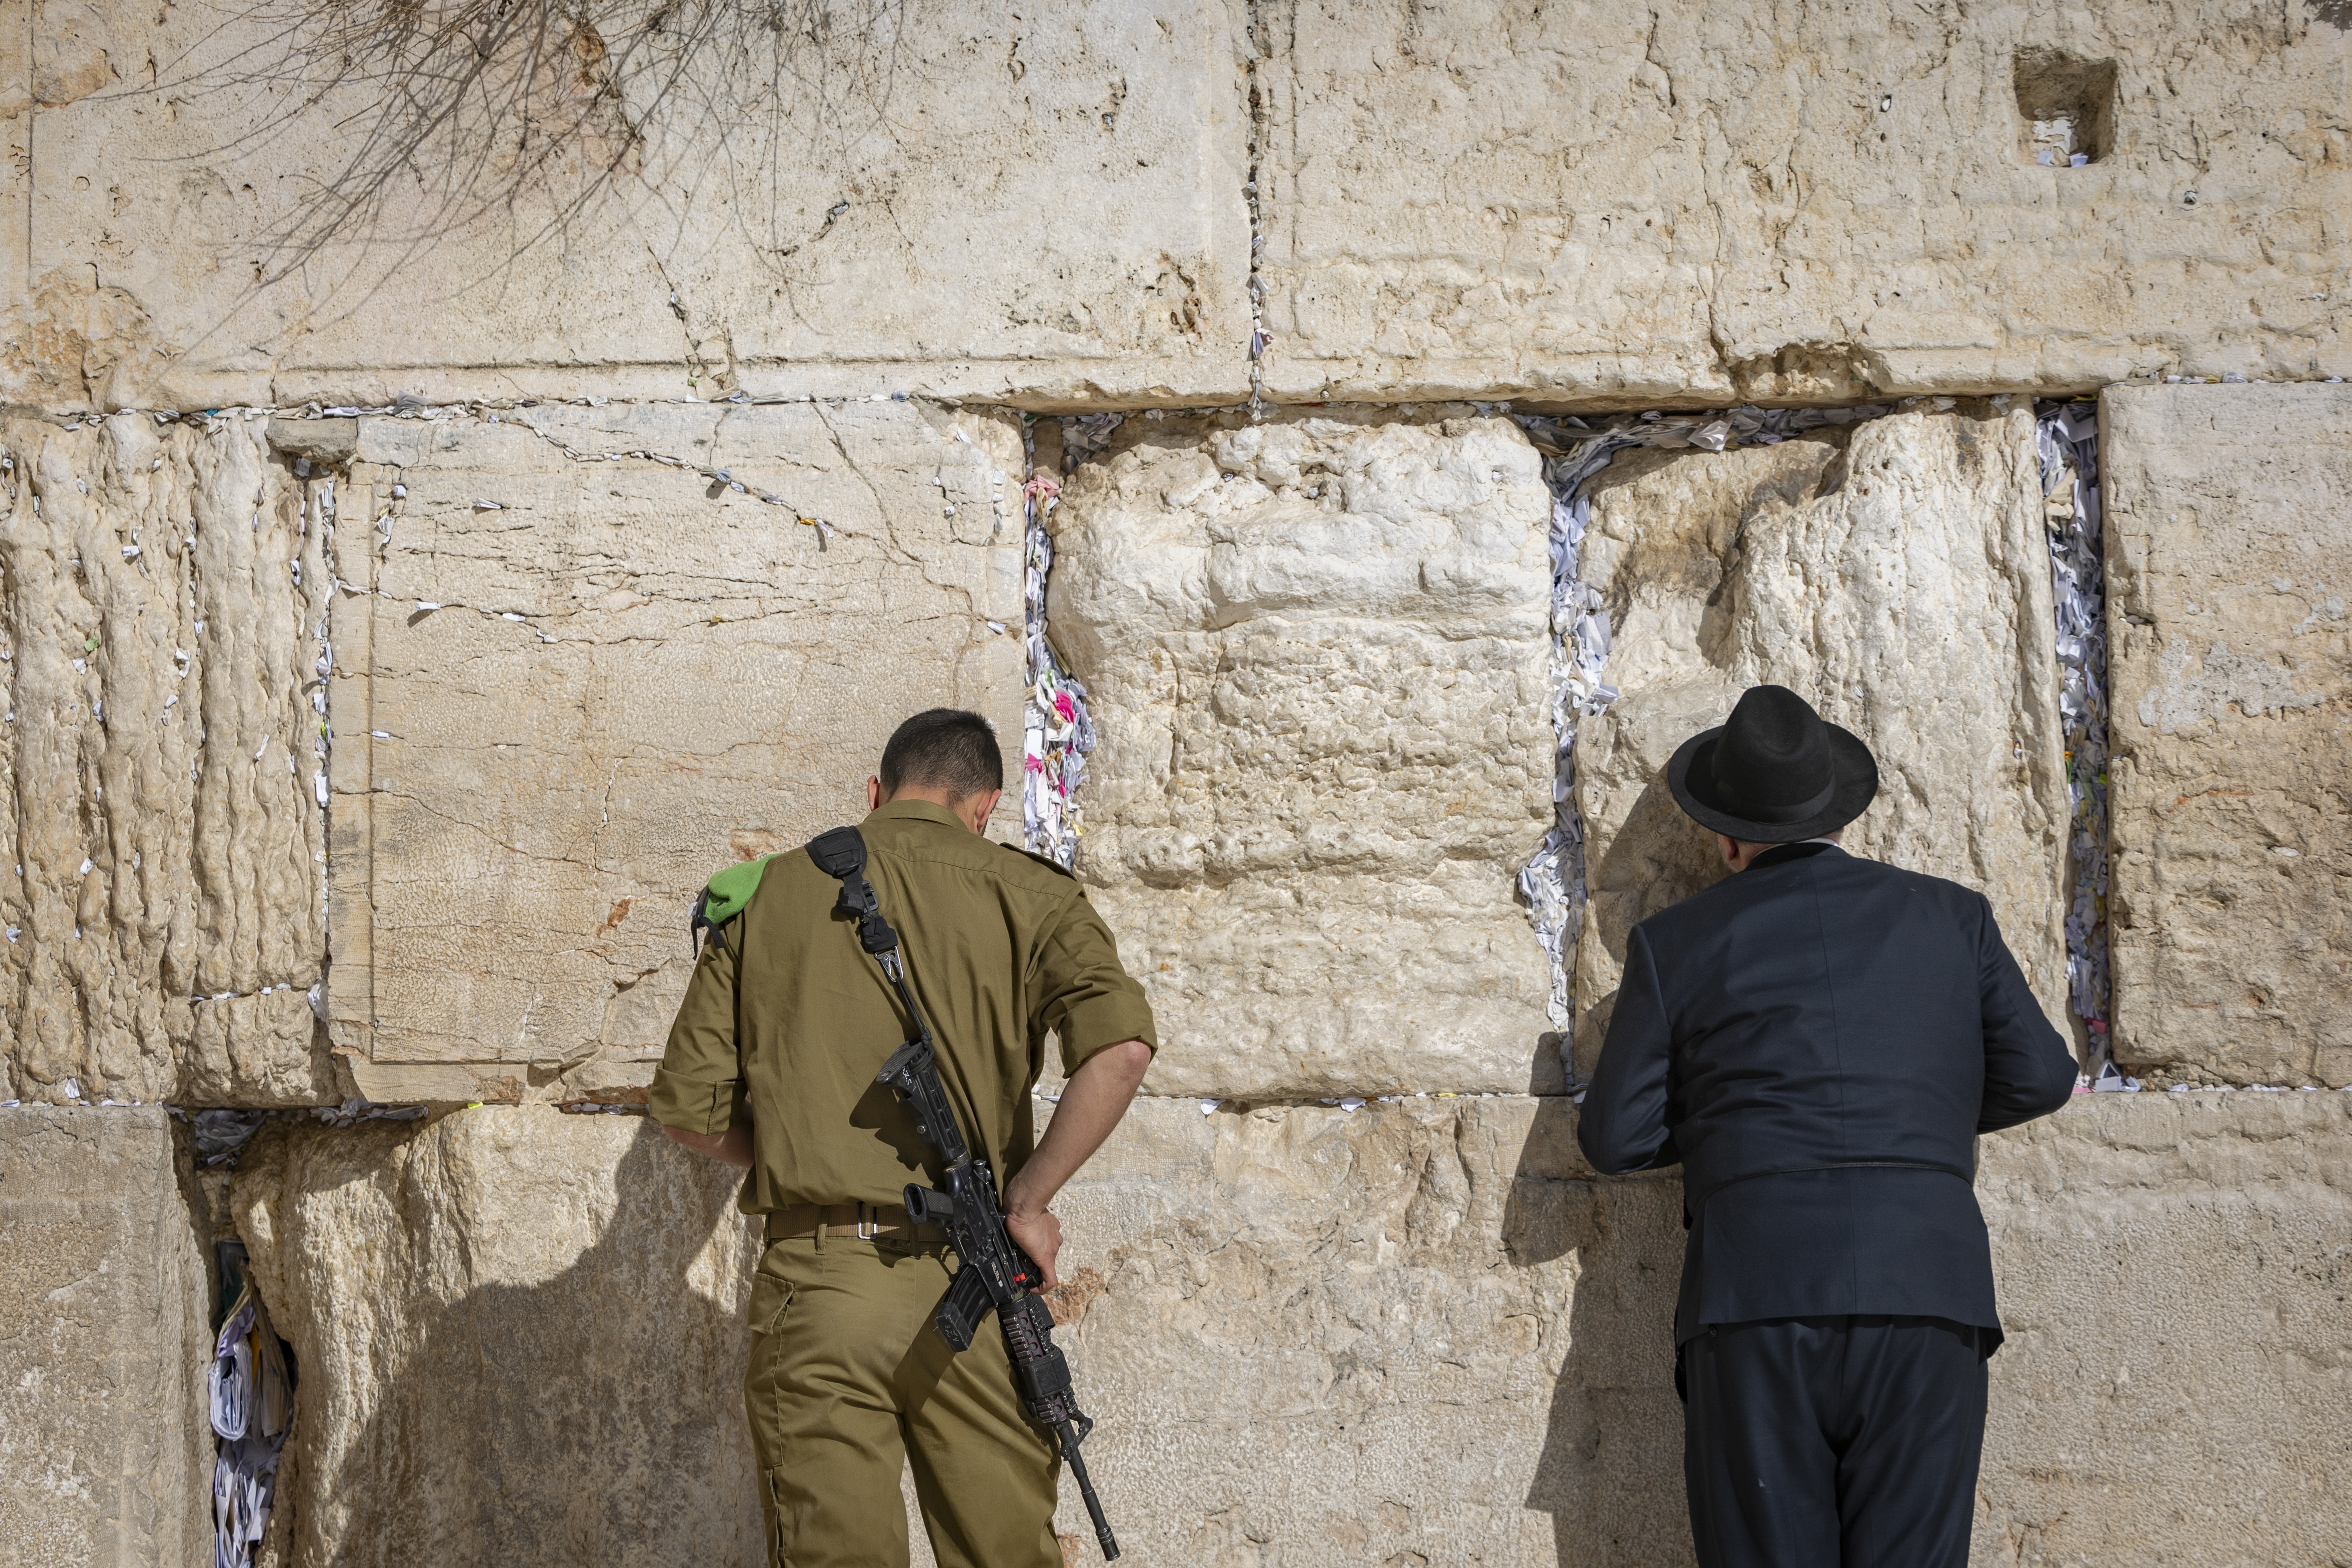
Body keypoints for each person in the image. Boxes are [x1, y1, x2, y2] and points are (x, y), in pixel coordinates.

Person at [1576, 684, 2077, 1568]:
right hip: (1926, 1290)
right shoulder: (1951, 918)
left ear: (1724, 838)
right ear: (1837, 816)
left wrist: (1736, 1138)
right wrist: (1920, 1125)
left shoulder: (1675, 944)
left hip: (1755, 1297)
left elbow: (1614, 1140)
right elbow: (2041, 1078)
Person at [651, 708, 1158, 1568]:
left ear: (876, 792)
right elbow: (1120, 1051)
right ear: (984, 807)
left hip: (820, 1288)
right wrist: (1029, 1202)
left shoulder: (763, 894)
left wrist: (798, 1148)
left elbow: (689, 1112)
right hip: (979, 1279)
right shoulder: (1034, 895)